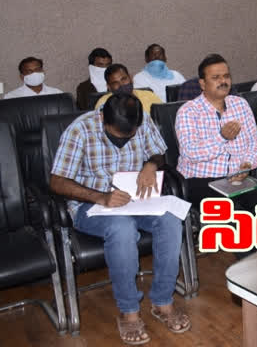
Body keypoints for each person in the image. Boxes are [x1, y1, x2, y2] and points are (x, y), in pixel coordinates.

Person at [49, 93, 190, 344]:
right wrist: (101, 197)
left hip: (136, 199)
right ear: (102, 116)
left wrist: (150, 165)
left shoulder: (142, 119)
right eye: (116, 136)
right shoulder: (79, 130)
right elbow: (57, 182)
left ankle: (162, 301)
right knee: (122, 229)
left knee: (170, 220)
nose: (122, 142)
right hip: (91, 205)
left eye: (129, 136)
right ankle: (129, 311)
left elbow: (159, 153)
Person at [175, 54, 257, 207]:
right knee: (235, 213)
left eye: (226, 76)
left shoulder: (240, 104)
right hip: (202, 180)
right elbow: (190, 153)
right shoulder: (188, 111)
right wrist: (221, 137)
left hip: (237, 178)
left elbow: (255, 141)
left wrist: (247, 164)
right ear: (202, 83)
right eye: (216, 77)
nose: (223, 81)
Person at [94, 64, 163, 113]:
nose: (121, 85)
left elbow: (164, 118)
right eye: (115, 83)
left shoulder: (149, 96)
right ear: (108, 87)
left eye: (124, 79)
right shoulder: (104, 103)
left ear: (130, 78)